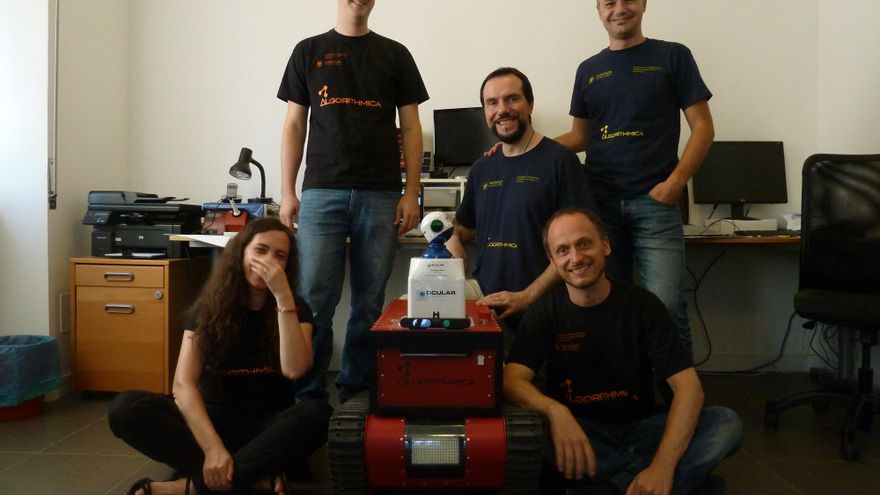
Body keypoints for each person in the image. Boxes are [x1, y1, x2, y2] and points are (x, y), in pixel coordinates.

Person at [504, 208, 742, 495]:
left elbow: (689, 389)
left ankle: (615, 484)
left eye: (584, 243)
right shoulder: (544, 312)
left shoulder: (644, 305)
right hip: (579, 434)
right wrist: (556, 412)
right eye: (563, 250)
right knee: (521, 434)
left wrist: (663, 466)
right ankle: (656, 482)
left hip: (641, 430)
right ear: (552, 261)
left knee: (725, 424)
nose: (576, 258)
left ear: (605, 245)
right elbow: (512, 380)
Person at [109, 218, 332, 495]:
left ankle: (189, 487)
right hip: (211, 424)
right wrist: (213, 448)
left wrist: (283, 297)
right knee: (126, 408)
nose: (269, 262)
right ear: (241, 253)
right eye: (260, 250)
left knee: (318, 414)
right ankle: (252, 476)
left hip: (268, 429)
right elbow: (183, 385)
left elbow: (295, 369)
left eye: (280, 256)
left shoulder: (297, 308)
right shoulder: (207, 309)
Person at [277, 0, 429, 403]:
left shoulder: (395, 54)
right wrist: (288, 192)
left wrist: (411, 193)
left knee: (369, 303)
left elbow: (411, 128)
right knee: (314, 302)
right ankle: (307, 397)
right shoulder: (307, 51)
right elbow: (294, 125)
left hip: (381, 194)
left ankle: (354, 392)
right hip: (320, 193)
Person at [555, 0, 715, 358]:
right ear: (599, 10)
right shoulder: (588, 70)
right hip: (600, 209)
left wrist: (677, 181)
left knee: (666, 307)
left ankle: (678, 391)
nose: (619, 9)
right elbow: (579, 137)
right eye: (609, 3)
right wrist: (525, 147)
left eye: (627, 0)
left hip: (655, 204)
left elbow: (703, 128)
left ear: (643, 4)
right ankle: (622, 388)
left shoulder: (673, 56)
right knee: (607, 308)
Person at [446, 67, 595, 334]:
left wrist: (527, 296)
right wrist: (454, 238)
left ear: (530, 104)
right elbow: (465, 226)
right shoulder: (481, 168)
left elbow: (578, 249)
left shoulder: (560, 161)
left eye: (512, 99)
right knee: (413, 306)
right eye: (492, 103)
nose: (502, 109)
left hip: (544, 301)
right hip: (484, 294)